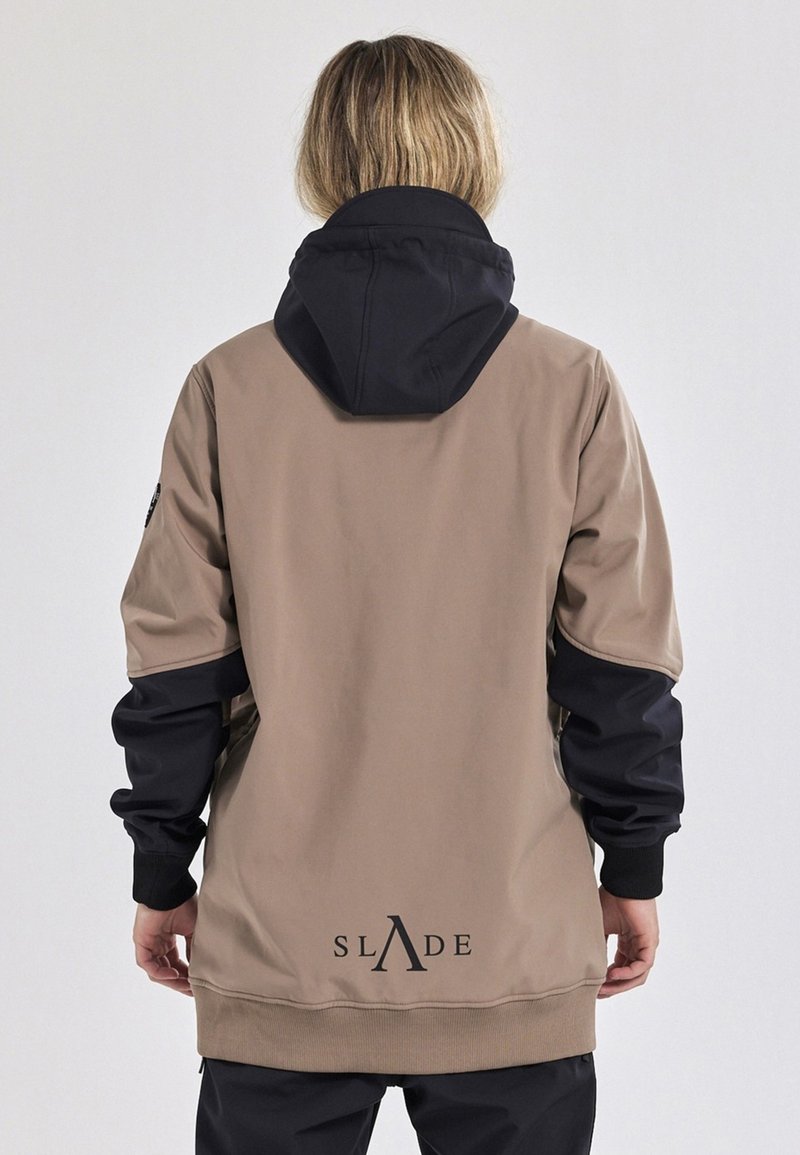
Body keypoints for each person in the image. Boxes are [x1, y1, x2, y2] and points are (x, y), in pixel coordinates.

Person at [109, 34, 684, 1155]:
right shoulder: (569, 387)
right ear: (475, 156)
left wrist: (161, 868)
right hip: (510, 941)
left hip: (281, 948)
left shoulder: (228, 388)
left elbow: (175, 666)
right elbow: (620, 666)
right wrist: (633, 864)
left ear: (322, 161)